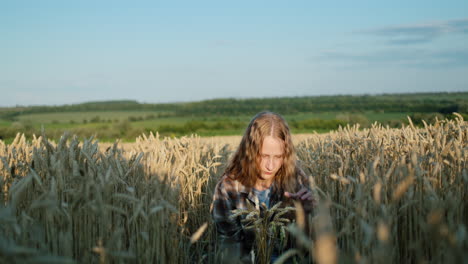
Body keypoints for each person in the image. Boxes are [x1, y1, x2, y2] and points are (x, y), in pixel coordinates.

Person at [211, 111, 317, 263]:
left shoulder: (297, 181)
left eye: (278, 157)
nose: (271, 166)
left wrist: (305, 215)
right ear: (249, 152)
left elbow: (303, 252)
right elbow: (231, 251)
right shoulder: (228, 188)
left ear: (285, 155)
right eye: (264, 156)